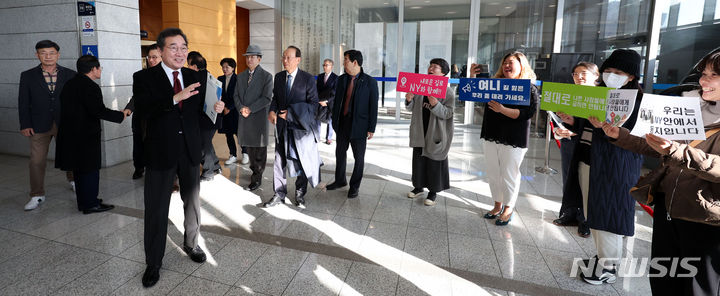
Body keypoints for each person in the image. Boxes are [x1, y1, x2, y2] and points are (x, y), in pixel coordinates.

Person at [599, 50, 720, 295]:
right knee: (664, 280)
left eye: (714, 75)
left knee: (698, 287)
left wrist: (678, 151)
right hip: (669, 209)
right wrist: (620, 136)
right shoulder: (691, 107)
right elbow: (659, 147)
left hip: (706, 219)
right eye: (704, 74)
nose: (703, 81)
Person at [133, 27, 225, 288]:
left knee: (192, 202)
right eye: (173, 47)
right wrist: (175, 98)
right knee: (156, 208)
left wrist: (217, 110)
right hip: (160, 151)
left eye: (183, 47)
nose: (180, 52)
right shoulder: (144, 77)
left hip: (189, 150)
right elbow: (145, 110)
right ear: (160, 50)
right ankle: (153, 262)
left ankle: (192, 244)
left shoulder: (193, 75)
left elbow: (202, 115)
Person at [558, 49, 644, 285]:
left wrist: (608, 129)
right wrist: (572, 123)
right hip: (588, 161)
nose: (610, 75)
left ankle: (609, 266)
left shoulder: (637, 102)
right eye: (607, 70)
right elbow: (585, 128)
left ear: (631, 77)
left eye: (618, 72)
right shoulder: (597, 95)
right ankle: (603, 256)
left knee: (608, 214)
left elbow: (637, 139)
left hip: (614, 167)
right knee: (593, 212)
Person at [474, 52, 539, 226]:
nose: (506, 66)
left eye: (510, 62)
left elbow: (528, 113)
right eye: (504, 63)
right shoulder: (494, 85)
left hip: (513, 137)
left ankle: (509, 208)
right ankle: (497, 205)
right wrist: (473, 77)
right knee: (493, 173)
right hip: (491, 134)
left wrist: (502, 110)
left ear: (521, 65)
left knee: (509, 174)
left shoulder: (529, 88)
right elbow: (477, 96)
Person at [55, 55, 124, 214]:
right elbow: (98, 111)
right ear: (93, 69)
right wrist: (120, 115)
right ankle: (91, 204)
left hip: (70, 135)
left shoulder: (69, 84)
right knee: (90, 170)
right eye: (99, 68)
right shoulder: (90, 87)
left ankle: (84, 200)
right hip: (86, 136)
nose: (100, 71)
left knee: (79, 170)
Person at [17, 40, 76, 211]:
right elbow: (23, 102)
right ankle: (37, 195)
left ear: (58, 54)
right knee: (36, 161)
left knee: (70, 155)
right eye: (43, 53)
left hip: (65, 123)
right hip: (37, 124)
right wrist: (25, 124)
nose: (48, 56)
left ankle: (73, 181)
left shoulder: (70, 74)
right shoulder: (27, 75)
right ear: (37, 55)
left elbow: (75, 100)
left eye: (51, 53)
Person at [264, 46, 321, 208]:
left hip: (299, 129)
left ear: (298, 59)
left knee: (300, 161)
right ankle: (279, 193)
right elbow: (275, 98)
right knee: (279, 160)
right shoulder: (279, 77)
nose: (285, 60)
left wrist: (290, 114)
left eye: (288, 57)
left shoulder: (308, 79)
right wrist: (272, 111)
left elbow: (314, 105)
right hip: (281, 127)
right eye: (283, 57)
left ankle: (300, 193)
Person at [552, 62, 600, 238]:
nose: (578, 77)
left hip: (590, 146)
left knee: (587, 182)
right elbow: (565, 120)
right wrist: (564, 127)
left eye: (583, 73)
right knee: (569, 177)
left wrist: (574, 127)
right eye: (575, 74)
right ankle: (570, 212)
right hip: (570, 142)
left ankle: (585, 219)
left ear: (596, 76)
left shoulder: (601, 97)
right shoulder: (569, 95)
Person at [326, 50, 378, 198]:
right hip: (342, 123)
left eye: (346, 60)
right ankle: (340, 180)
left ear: (355, 62)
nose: (343, 63)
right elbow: (337, 102)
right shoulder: (342, 80)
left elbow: (373, 107)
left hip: (359, 125)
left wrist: (371, 128)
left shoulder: (369, 82)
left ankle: (354, 186)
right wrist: (335, 121)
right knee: (340, 154)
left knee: (359, 158)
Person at [404, 58, 455, 206]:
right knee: (419, 160)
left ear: (443, 73)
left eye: (435, 67)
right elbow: (412, 107)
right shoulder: (421, 86)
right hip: (420, 130)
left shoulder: (448, 91)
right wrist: (409, 100)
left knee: (434, 162)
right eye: (430, 66)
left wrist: (435, 103)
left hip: (436, 133)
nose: (431, 69)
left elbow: (448, 113)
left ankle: (433, 192)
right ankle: (418, 187)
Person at [234, 44, 273, 191]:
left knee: (259, 150)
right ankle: (254, 171)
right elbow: (236, 95)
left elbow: (267, 98)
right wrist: (241, 108)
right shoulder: (241, 76)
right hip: (244, 117)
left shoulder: (266, 77)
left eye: (252, 57)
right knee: (249, 149)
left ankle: (257, 177)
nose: (249, 59)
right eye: (247, 57)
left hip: (258, 118)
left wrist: (250, 108)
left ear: (259, 59)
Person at [123, 43, 161, 180]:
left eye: (155, 57)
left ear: (162, 57)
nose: (151, 60)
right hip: (141, 117)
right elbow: (137, 96)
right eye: (149, 57)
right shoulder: (139, 75)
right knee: (139, 145)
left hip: (159, 117)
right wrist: (129, 108)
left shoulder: (169, 76)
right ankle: (139, 168)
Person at [187, 51, 222, 181]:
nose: (188, 68)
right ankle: (216, 166)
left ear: (195, 66)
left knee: (202, 146)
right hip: (214, 119)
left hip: (204, 119)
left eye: (189, 65)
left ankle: (208, 172)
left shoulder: (196, 79)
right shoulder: (210, 77)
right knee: (207, 144)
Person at [218, 58, 239, 166]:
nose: (224, 69)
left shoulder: (238, 79)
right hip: (224, 111)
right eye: (223, 67)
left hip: (235, 111)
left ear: (233, 68)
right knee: (228, 134)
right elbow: (218, 95)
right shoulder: (219, 79)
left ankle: (245, 153)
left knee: (239, 133)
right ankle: (233, 155)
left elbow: (239, 96)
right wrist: (223, 107)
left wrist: (229, 107)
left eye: (227, 67)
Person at [317, 58, 337, 144]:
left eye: (326, 65)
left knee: (330, 120)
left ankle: (329, 138)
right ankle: (317, 136)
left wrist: (327, 101)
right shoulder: (320, 76)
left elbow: (335, 92)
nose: (324, 67)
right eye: (323, 65)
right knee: (317, 118)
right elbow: (316, 89)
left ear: (331, 66)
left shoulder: (336, 78)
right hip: (320, 101)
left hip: (330, 102)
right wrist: (318, 100)